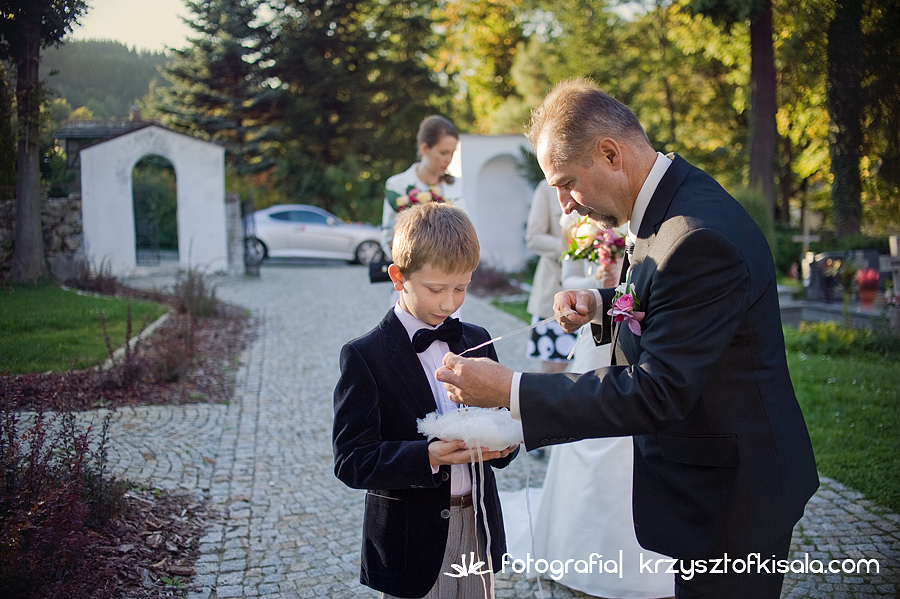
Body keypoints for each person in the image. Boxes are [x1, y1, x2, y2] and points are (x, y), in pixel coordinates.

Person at [436, 78, 819, 598]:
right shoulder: (669, 202)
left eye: (566, 182)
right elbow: (674, 312)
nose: (566, 206)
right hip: (716, 476)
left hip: (734, 497)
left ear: (610, 153)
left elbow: (658, 390)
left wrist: (511, 391)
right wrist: (602, 303)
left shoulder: (696, 237)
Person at [333, 203, 518, 599]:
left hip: (477, 524)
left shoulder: (476, 338)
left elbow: (503, 429)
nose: (450, 303)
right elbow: (351, 461)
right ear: (398, 277)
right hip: (409, 539)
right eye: (435, 289)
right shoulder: (366, 355)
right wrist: (429, 456)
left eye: (461, 287)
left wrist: (507, 441)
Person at [525, 225, 672, 598]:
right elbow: (569, 274)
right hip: (596, 336)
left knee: (630, 440)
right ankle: (574, 549)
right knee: (585, 425)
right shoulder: (581, 227)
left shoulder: (656, 227)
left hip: (640, 344)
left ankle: (642, 560)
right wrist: (596, 282)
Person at [381, 115, 465, 260]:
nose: (448, 159)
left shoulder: (457, 185)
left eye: (452, 153)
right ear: (425, 149)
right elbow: (388, 236)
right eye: (443, 152)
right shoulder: (397, 185)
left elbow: (465, 231)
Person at [524, 180, 576, 373]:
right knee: (554, 366)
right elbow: (533, 237)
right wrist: (573, 248)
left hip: (597, 286)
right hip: (556, 289)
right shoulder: (546, 189)